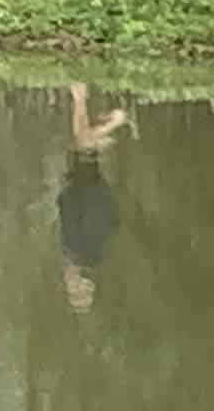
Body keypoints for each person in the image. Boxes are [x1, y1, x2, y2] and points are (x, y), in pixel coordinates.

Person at [58, 81, 126, 313]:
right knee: (84, 145)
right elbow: (96, 219)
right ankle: (113, 119)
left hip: (82, 188)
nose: (70, 285)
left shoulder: (75, 257)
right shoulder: (85, 255)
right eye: (77, 290)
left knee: (82, 145)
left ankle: (80, 96)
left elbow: (70, 220)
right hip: (87, 190)